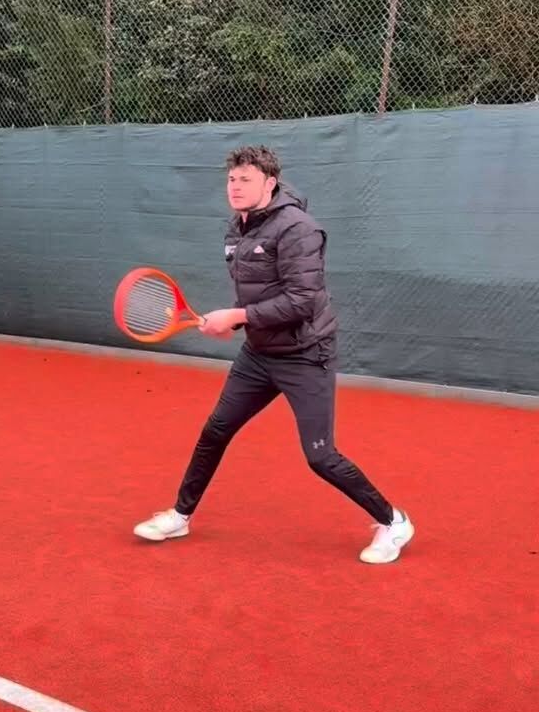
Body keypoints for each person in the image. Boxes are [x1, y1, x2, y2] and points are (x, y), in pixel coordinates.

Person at [134, 145, 414, 564]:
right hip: (259, 354)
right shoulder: (238, 229)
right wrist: (237, 323)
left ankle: (394, 523)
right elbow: (259, 293)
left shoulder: (299, 229)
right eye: (231, 178)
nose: (235, 186)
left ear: (270, 183)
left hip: (306, 354)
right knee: (216, 430)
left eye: (246, 179)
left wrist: (239, 315)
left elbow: (302, 299)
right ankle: (180, 514)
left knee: (321, 456)